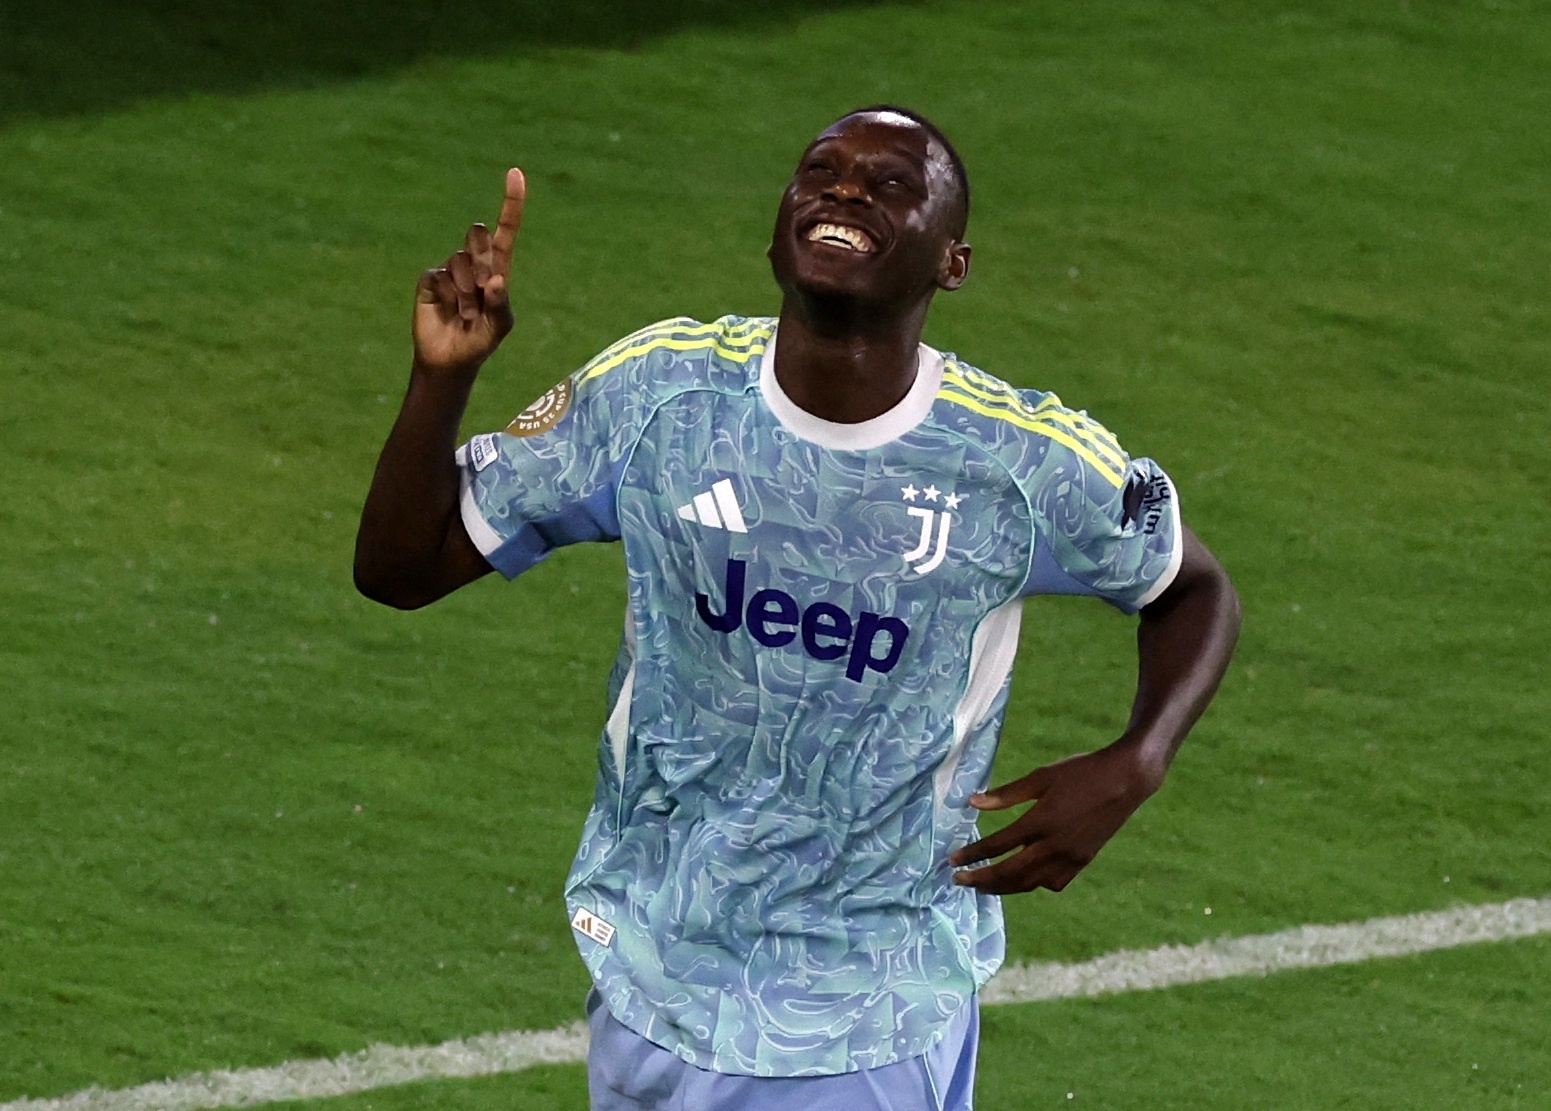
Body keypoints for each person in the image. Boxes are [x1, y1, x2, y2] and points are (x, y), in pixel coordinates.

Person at [355, 105, 1241, 1110]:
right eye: (820, 171)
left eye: (893, 184)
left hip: (863, 1015)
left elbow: (1191, 586)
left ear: (952, 263)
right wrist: (443, 379)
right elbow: (401, 569)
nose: (846, 189)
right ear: (776, 228)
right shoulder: (659, 397)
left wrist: (1138, 758)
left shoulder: (1017, 464)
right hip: (650, 979)